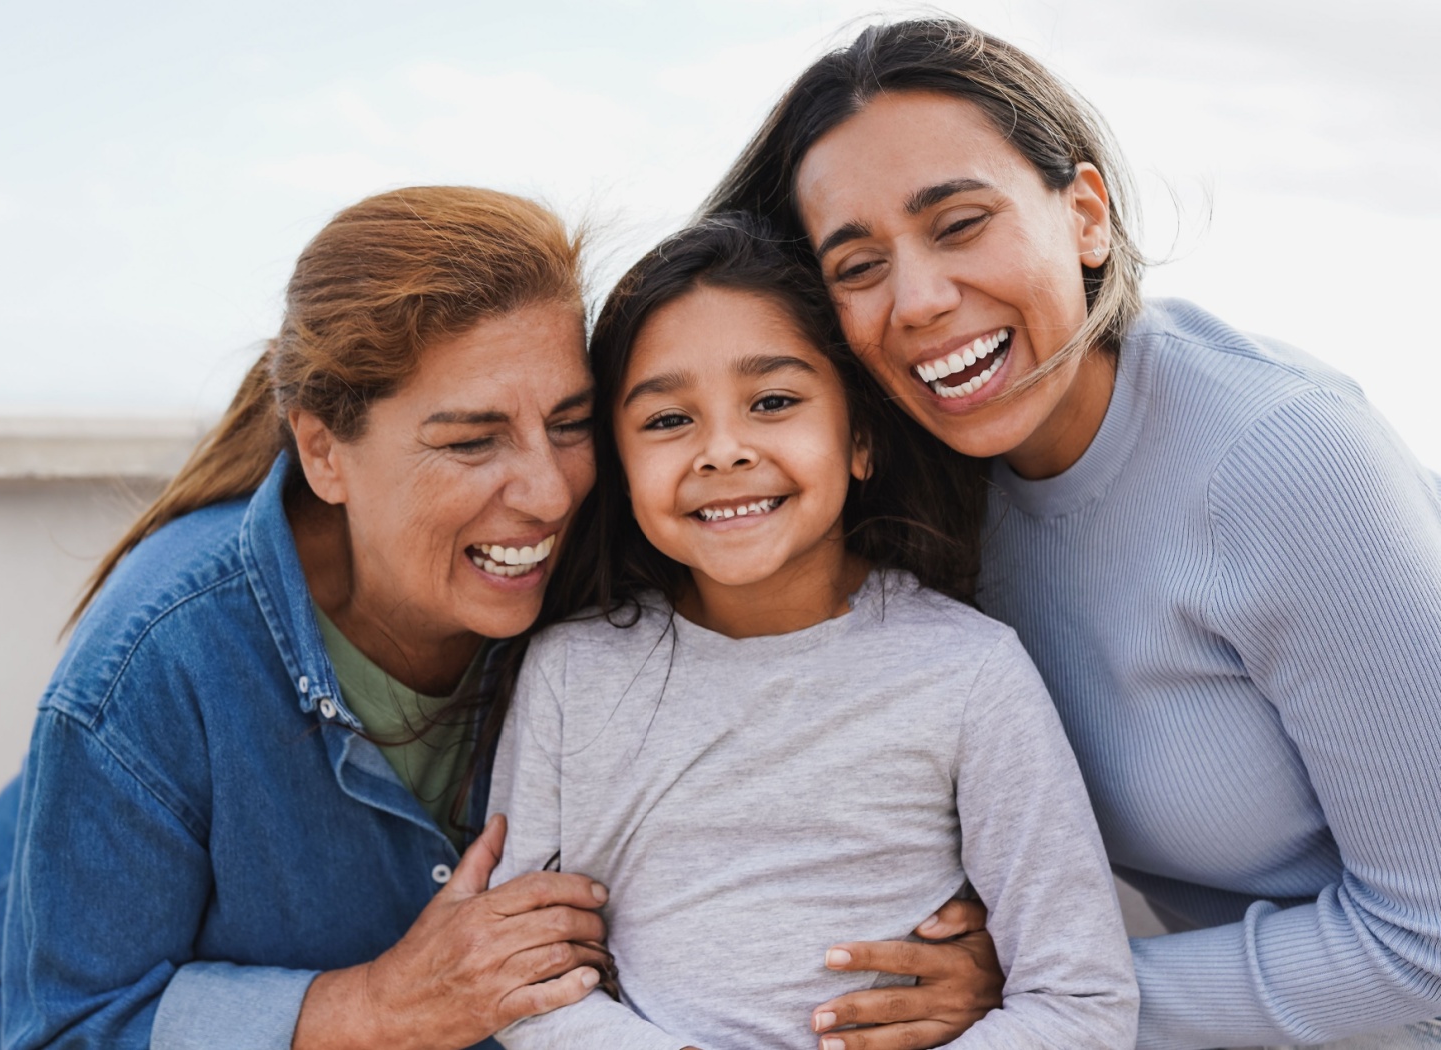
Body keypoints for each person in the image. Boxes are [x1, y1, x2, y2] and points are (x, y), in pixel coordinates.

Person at [704, 17, 1441, 1050]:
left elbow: (1429, 941)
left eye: (958, 223)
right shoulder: (925, 488)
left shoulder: (1284, 461)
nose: (917, 300)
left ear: (1085, 216)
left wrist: (1044, 994)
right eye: (858, 264)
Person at [0, 186, 617, 1050]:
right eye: (470, 440)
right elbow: (72, 1025)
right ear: (324, 452)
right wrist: (378, 1009)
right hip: (32, 954)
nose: (551, 491)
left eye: (571, 422)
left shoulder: (607, 564)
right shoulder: (158, 649)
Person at [484, 214, 1139, 1050]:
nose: (722, 451)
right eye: (666, 421)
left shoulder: (966, 672)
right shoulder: (571, 675)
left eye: (774, 402)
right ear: (617, 458)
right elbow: (529, 980)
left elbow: (1081, 998)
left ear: (860, 436)